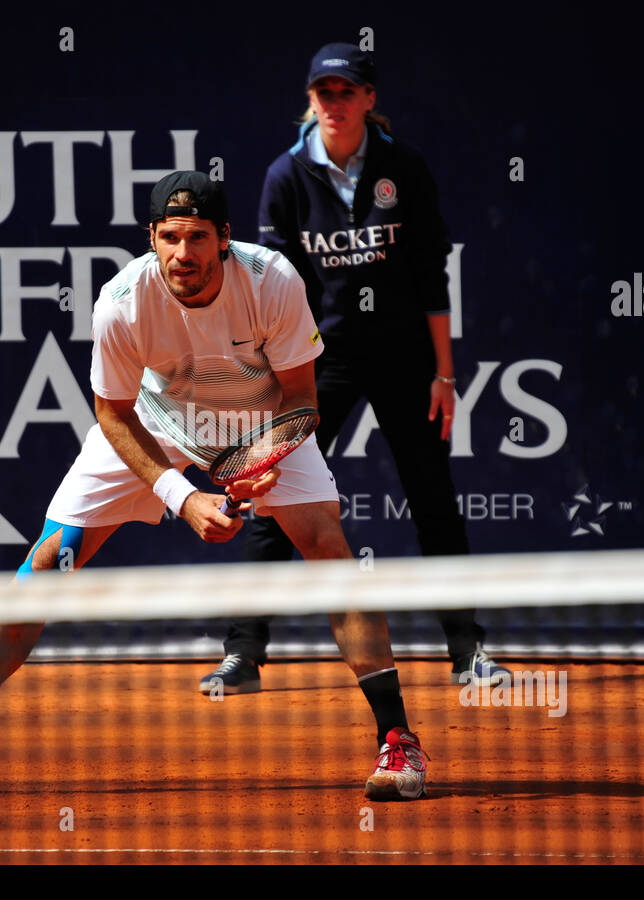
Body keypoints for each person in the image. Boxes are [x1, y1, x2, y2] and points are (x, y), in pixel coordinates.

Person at [0, 171, 429, 801]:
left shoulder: (272, 280)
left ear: (224, 238)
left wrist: (267, 457)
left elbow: (304, 398)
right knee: (49, 560)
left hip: (260, 422)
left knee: (329, 552)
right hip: (154, 425)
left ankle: (398, 742)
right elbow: (112, 414)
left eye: (198, 237)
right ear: (151, 237)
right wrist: (182, 494)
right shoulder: (123, 301)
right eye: (169, 237)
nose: (183, 254)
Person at [200, 42, 509, 696]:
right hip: (320, 360)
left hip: (404, 358)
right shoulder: (286, 177)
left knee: (434, 502)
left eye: (347, 92)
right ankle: (244, 654)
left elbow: (431, 276)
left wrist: (445, 374)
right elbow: (276, 287)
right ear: (310, 100)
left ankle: (468, 652)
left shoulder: (406, 169)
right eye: (324, 93)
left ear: (370, 99)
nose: (334, 104)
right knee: (275, 495)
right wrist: (275, 378)